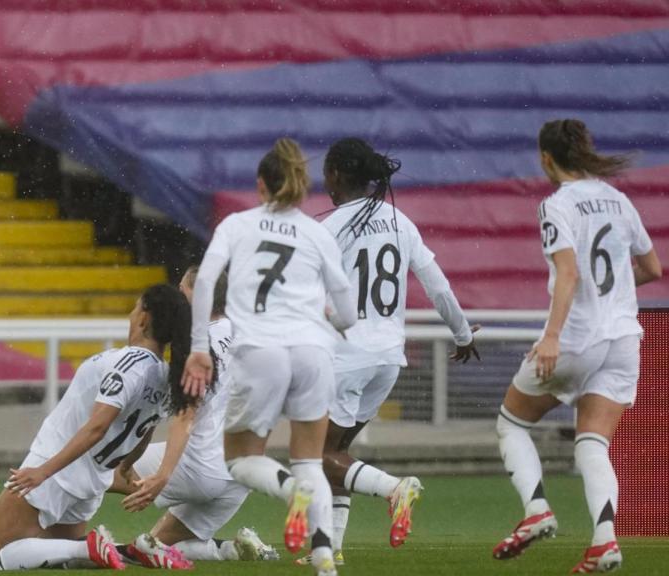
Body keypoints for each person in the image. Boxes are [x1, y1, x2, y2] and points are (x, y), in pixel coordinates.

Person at [491, 119, 661, 573]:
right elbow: (652, 267)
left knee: (511, 423)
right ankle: (605, 540)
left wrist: (551, 336)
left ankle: (536, 511)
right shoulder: (619, 200)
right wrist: (616, 293)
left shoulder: (557, 205)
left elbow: (568, 273)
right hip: (624, 340)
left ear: (546, 158)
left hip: (578, 339)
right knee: (592, 443)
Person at [183, 138, 357, 576]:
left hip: (261, 349)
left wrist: (199, 348)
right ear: (301, 188)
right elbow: (349, 314)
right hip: (313, 353)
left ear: (260, 185)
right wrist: (328, 319)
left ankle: (289, 492)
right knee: (310, 461)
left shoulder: (237, 225)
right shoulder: (318, 233)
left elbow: (204, 282)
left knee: (241, 460)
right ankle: (323, 562)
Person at [315, 138, 480, 563]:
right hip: (388, 357)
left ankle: (395, 488)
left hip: (345, 357)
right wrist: (462, 335)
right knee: (339, 455)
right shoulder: (399, 220)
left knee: (316, 457)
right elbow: (437, 284)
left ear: (334, 174)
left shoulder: (329, 229)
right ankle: (332, 547)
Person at [0, 284, 195, 571]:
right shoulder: (165, 376)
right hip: (93, 481)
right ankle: (132, 551)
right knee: (62, 561)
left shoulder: (128, 363)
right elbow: (145, 429)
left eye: (134, 308)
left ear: (144, 318)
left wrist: (44, 471)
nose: (131, 315)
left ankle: (91, 546)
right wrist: (128, 466)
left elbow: (97, 427)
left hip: (58, 465)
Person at [108, 266, 278, 565]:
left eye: (182, 290)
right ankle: (229, 550)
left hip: (200, 465)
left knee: (87, 467)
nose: (177, 296)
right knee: (150, 547)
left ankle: (41, 540)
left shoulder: (196, 345)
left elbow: (185, 416)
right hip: (240, 474)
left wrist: (163, 475)